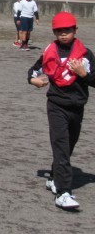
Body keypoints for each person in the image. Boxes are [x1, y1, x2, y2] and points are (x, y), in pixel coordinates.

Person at [28, 12, 95, 210]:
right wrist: (33, 80)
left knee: (69, 146)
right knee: (61, 147)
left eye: (67, 30)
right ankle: (63, 193)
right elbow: (33, 71)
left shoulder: (85, 55)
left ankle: (54, 177)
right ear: (54, 32)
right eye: (59, 31)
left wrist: (84, 74)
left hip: (77, 107)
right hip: (56, 106)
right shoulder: (50, 52)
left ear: (75, 30)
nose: (63, 34)